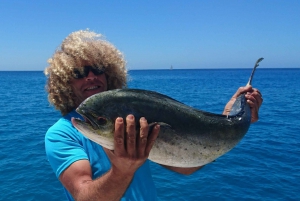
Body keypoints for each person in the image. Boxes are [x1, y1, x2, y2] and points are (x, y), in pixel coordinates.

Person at [44, 30, 263, 201]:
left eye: (97, 69)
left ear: (108, 73)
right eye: (79, 73)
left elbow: (186, 166)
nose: (90, 77)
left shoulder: (133, 118)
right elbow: (84, 196)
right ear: (65, 83)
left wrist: (228, 121)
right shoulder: (61, 134)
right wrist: (121, 171)